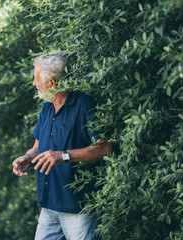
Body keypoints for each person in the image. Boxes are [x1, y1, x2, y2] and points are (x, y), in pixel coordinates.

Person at [12, 54, 111, 240]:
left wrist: (62, 156)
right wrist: (27, 159)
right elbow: (37, 148)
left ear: (51, 83)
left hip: (77, 205)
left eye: (36, 78)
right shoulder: (47, 107)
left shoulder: (84, 104)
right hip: (49, 203)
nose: (34, 83)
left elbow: (105, 148)